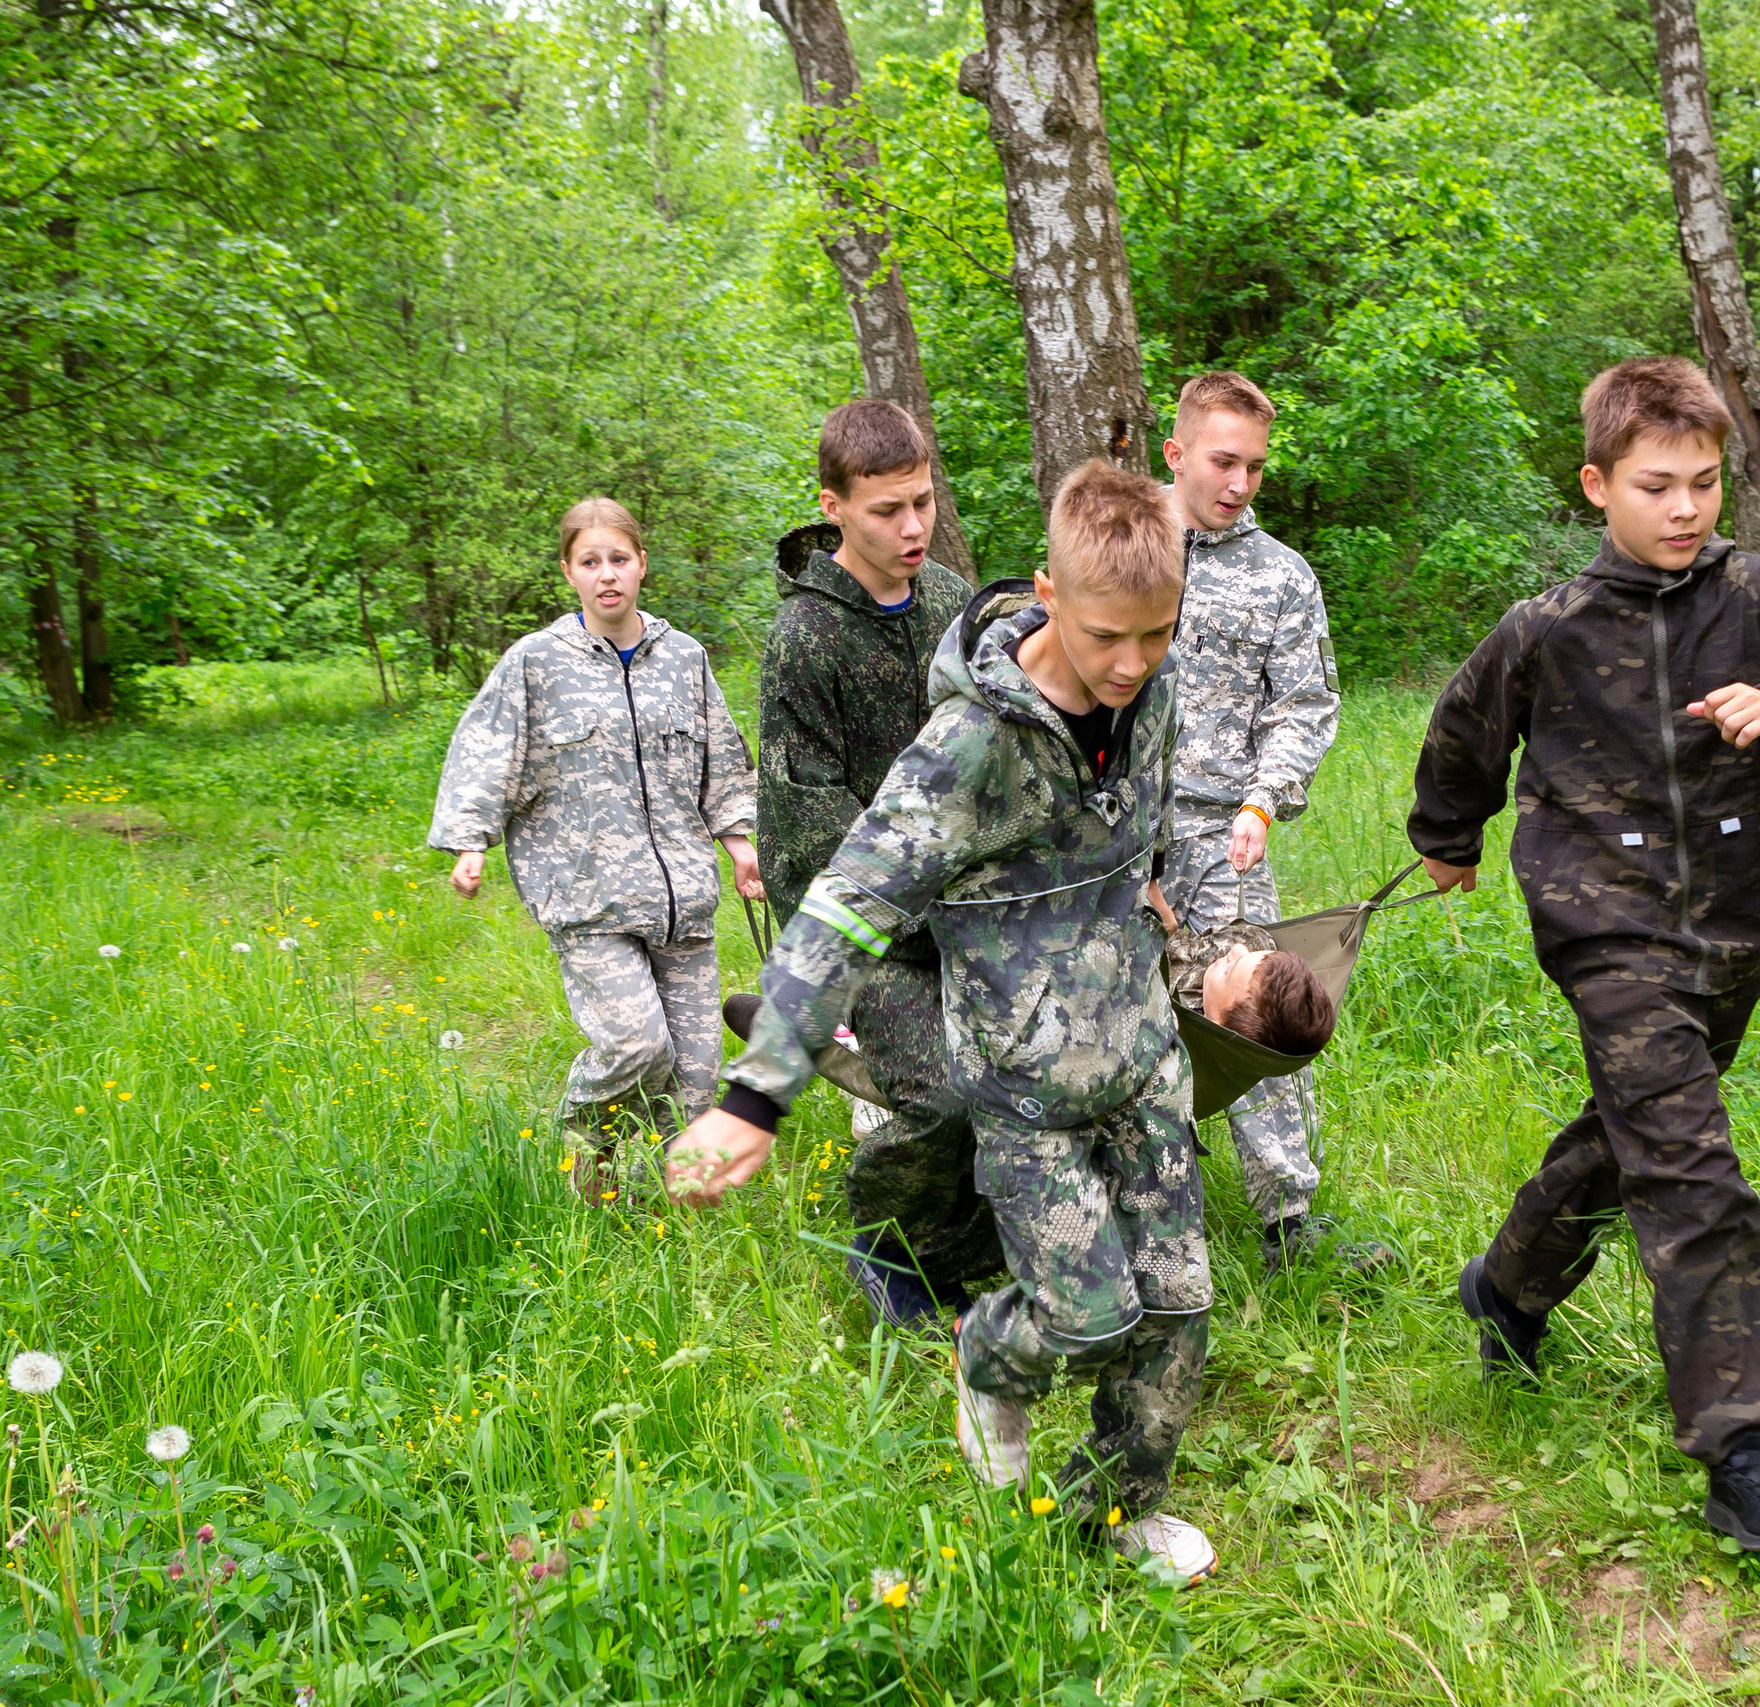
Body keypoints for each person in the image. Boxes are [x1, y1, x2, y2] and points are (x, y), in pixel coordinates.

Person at [664, 461, 1219, 1586]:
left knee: (1178, 1314)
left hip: (1143, 1059)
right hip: (1021, 1087)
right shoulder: (967, 752)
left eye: (1156, 634)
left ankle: (1107, 1517)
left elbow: (1133, 840)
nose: (1131, 664)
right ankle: (982, 1354)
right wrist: (755, 1093)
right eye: (1109, 635)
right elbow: (844, 907)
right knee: (1083, 1318)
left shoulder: (1150, 689)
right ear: (1048, 595)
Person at [1407, 357, 1760, 1551]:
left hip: (1733, 927)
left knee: (1637, 1133)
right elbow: (1462, 732)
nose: (1685, 509)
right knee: (1695, 1178)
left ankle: (1509, 1285)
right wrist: (1448, 838)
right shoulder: (1546, 627)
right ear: (1597, 485)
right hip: (1603, 928)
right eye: (1656, 486)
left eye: (1703, 483)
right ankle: (1737, 1453)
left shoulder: (1759, 598)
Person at [430, 496, 760, 1205]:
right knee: (639, 1048)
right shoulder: (537, 663)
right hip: (587, 898)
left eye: (619, 559)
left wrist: (739, 845)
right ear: (568, 572)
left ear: (642, 564)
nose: (607, 574)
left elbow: (722, 763)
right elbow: (488, 751)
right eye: (590, 562)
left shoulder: (685, 659)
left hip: (683, 900)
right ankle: (586, 1147)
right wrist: (469, 842)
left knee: (698, 1075)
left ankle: (686, 1218)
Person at [755, 399, 996, 1327]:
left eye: (923, 503)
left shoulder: (946, 602)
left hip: (973, 910)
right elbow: (804, 824)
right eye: (888, 510)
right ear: (834, 506)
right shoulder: (804, 639)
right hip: (868, 931)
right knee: (941, 1095)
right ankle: (887, 1246)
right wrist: (913, 911)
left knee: (1018, 1077)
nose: (912, 527)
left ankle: (966, 1252)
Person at [1159, 369, 1382, 1273]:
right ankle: (1143, 1198)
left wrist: (1263, 798)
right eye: (1222, 461)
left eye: (1254, 466)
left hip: (1224, 835)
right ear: (1176, 453)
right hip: (1109, 833)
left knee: (1254, 1011)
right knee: (1113, 1011)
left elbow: (1305, 704)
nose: (1239, 483)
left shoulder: (1281, 577)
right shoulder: (1126, 548)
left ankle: (1290, 1216)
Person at [1162, 921, 1336, 1054]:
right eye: (1249, 953)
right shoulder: (1256, 946)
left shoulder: (1163, 1023)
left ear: (1216, 1027)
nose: (1237, 948)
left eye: (1228, 972)